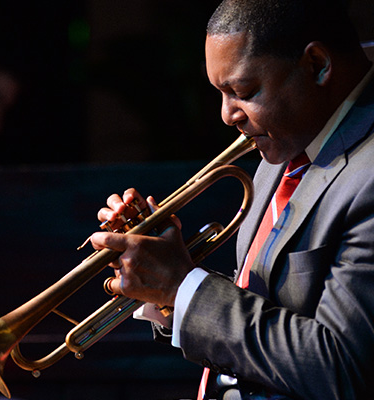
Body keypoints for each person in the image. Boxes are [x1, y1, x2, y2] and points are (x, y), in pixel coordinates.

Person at [90, 0, 374, 398]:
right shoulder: (290, 140)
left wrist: (183, 286)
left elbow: (342, 366)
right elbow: (270, 309)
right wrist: (167, 283)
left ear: (316, 65)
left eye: (242, 91)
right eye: (220, 93)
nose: (227, 115)